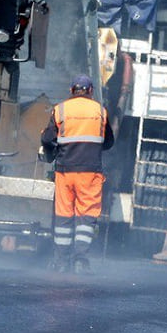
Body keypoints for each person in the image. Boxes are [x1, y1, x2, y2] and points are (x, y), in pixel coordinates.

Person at [41, 74, 114, 273]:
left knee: (64, 216)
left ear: (72, 90)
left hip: (65, 172)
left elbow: (47, 139)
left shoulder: (61, 109)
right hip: (90, 173)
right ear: (90, 91)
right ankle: (80, 260)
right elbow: (108, 143)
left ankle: (61, 261)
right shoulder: (100, 111)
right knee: (86, 216)